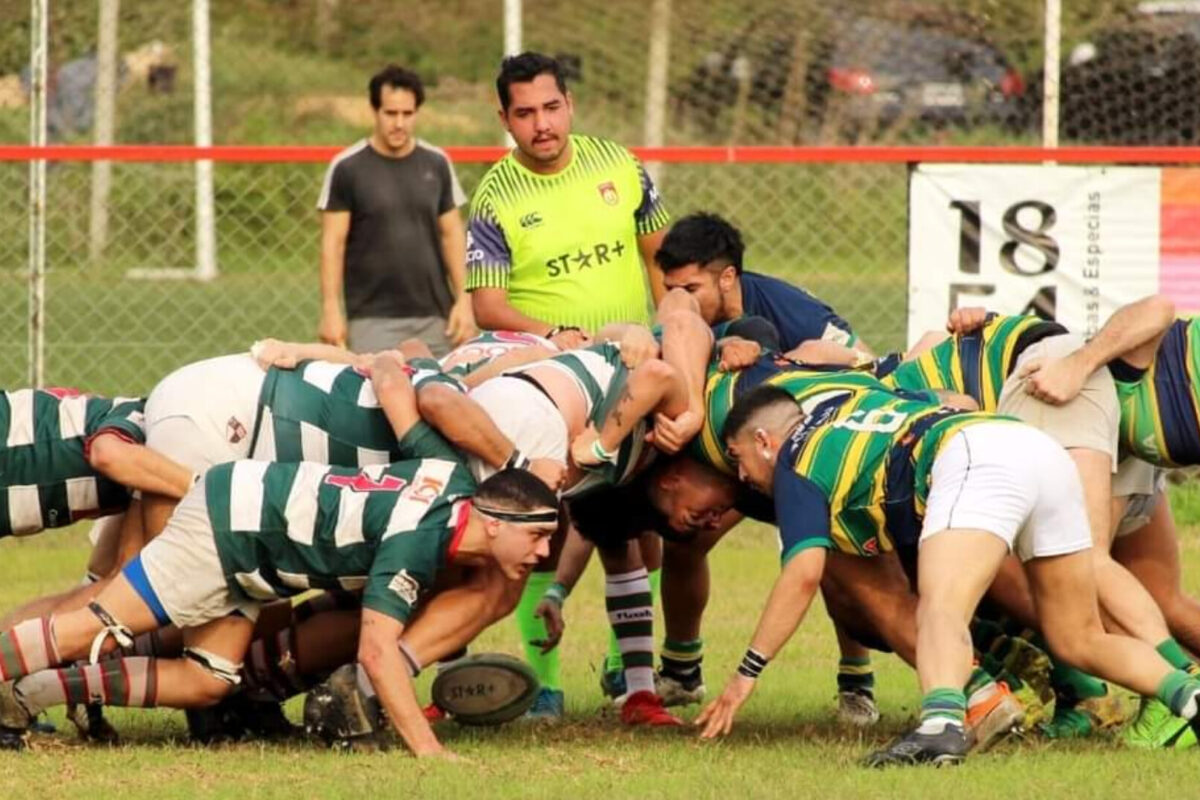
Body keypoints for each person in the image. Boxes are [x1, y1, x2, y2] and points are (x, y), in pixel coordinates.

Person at [0, 355, 559, 758]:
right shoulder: (420, 536)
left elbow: (393, 374)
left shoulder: (451, 476)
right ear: (493, 519)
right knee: (98, 626)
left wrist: (363, 361)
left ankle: (39, 691)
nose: (545, 551)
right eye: (536, 536)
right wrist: (430, 752)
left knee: (208, 679)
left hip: (250, 546)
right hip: (227, 530)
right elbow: (378, 652)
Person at [698, 384, 1200, 766]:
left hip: (972, 457)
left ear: (764, 440)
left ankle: (940, 726)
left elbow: (804, 573)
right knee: (1078, 636)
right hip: (1035, 449)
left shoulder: (794, 463)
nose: (741, 477)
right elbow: (950, 397)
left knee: (940, 608)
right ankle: (1188, 694)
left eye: (739, 458)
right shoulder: (851, 401)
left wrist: (746, 675)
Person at [467, 40, 683, 712]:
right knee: (542, 524)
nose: (542, 124)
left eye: (552, 106)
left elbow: (660, 262)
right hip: (554, 386)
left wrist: (662, 336)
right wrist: (548, 335)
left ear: (571, 104)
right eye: (525, 112)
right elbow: (487, 304)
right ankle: (545, 687)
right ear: (504, 118)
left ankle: (630, 674)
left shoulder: (619, 164)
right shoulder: (495, 194)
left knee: (636, 530)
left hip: (632, 375)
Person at [317, 64, 474, 357]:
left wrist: (464, 301)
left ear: (417, 112)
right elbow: (332, 243)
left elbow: (452, 234)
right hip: (372, 320)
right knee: (377, 398)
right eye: (391, 113)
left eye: (407, 114)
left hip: (438, 319)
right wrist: (330, 309)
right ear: (374, 111)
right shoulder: (347, 167)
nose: (399, 123)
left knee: (443, 396)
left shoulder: (437, 163)